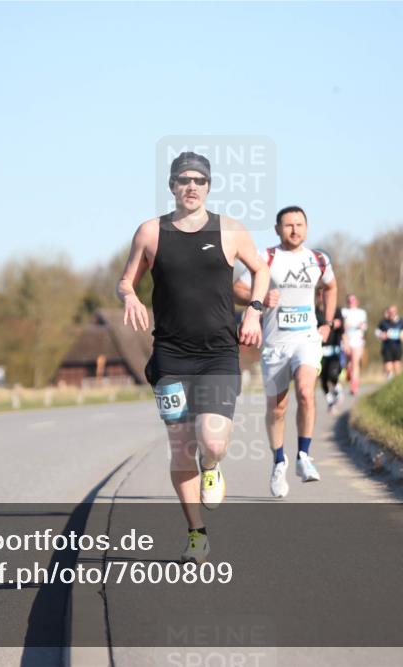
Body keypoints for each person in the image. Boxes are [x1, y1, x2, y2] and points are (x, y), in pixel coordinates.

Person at [119, 151, 269, 563]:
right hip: (169, 356)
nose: (191, 186)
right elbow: (125, 280)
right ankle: (196, 533)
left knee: (212, 440)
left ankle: (213, 467)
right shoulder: (151, 232)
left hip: (219, 354)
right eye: (183, 179)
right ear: (171, 185)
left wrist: (254, 311)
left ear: (208, 186)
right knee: (181, 445)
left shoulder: (230, 230)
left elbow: (261, 270)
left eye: (199, 180)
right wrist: (130, 295)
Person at [234, 205, 337, 498]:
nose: (295, 230)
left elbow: (330, 287)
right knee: (277, 409)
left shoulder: (318, 259)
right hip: (275, 344)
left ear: (307, 227)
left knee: (306, 392)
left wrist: (327, 323)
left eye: (300, 224)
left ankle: (304, 455)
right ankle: (279, 460)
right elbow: (237, 290)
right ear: (278, 229)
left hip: (307, 339)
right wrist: (262, 297)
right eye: (288, 225)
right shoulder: (266, 259)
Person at [318, 295, 345, 414]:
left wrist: (329, 325)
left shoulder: (336, 310)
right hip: (319, 349)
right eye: (320, 294)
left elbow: (340, 324)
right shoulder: (314, 311)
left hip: (334, 349)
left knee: (333, 374)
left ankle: (338, 389)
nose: (323, 297)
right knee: (323, 379)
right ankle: (330, 402)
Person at [340, 294, 367, 395]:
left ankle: (354, 386)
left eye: (353, 300)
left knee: (355, 362)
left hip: (357, 340)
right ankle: (348, 372)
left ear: (357, 301)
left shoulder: (361, 312)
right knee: (348, 363)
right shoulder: (344, 312)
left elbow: (363, 326)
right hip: (346, 339)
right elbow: (343, 328)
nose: (352, 301)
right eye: (349, 300)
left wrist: (355, 326)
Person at [376, 305, 403, 380]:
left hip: (397, 347)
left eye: (393, 311)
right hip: (387, 347)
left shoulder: (401, 322)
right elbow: (377, 332)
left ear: (396, 312)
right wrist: (381, 335)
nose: (392, 313)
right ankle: (389, 381)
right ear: (388, 312)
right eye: (390, 312)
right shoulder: (383, 322)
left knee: (397, 367)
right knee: (388, 368)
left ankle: (397, 384)